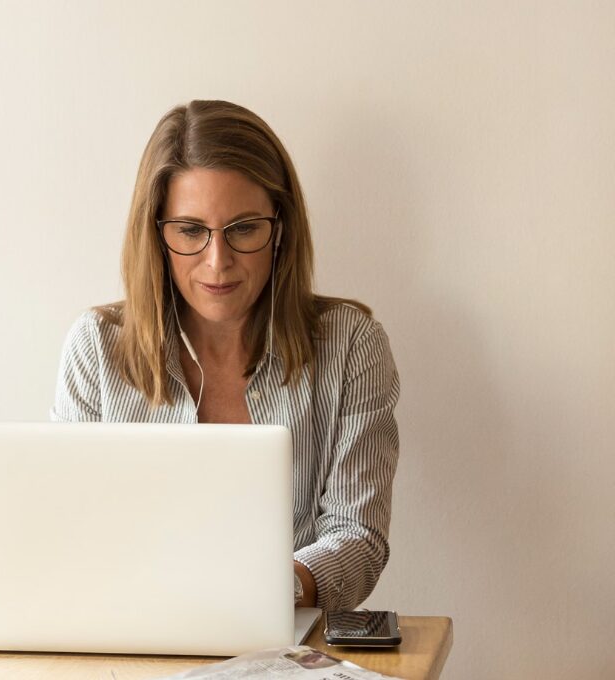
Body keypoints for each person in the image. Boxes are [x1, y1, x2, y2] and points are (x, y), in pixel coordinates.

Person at [50, 100, 399, 613]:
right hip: (129, 636)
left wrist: (270, 591)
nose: (218, 262)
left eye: (243, 228)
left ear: (280, 227)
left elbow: (358, 537)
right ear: (157, 234)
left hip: (284, 645)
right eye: (191, 231)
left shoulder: (350, 344)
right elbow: (69, 530)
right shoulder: (96, 347)